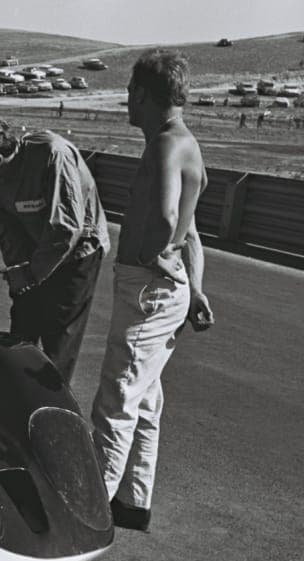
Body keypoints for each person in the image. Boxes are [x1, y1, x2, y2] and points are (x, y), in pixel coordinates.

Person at [90, 49, 214, 532]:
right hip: (170, 285)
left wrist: (149, 257)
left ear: (142, 94)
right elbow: (194, 233)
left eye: (128, 94)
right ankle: (132, 501)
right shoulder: (187, 144)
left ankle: (91, 508)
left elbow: (165, 219)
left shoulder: (165, 145)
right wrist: (195, 287)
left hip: (149, 286)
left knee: (117, 396)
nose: (126, 103)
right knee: (145, 397)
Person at [0, 115, 109, 382]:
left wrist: (30, 274)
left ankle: (52, 406)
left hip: (77, 251)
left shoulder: (51, 154)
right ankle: (18, 395)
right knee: (23, 327)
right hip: (35, 248)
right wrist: (20, 271)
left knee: (58, 338)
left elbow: (65, 229)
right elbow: (3, 225)